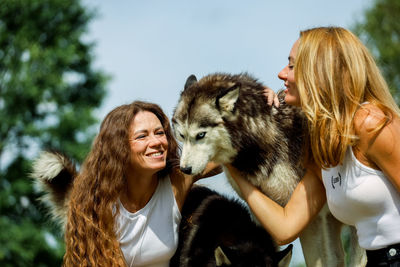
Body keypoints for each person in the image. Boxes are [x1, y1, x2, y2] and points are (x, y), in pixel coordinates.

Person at [226, 26, 400, 266]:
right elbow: (285, 228)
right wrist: (232, 160)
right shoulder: (325, 150)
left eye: (292, 65)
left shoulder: (372, 124)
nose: (280, 74)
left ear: (322, 72)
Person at [63, 101, 220, 266]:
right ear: (119, 147)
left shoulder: (176, 182)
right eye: (142, 136)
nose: (156, 142)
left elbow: (226, 155)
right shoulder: (96, 200)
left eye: (159, 133)